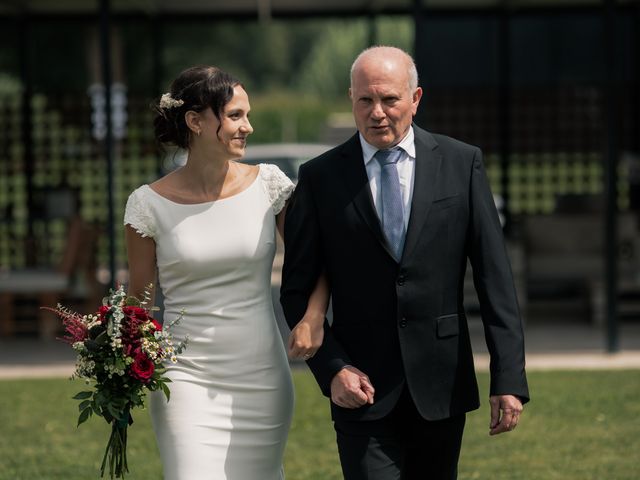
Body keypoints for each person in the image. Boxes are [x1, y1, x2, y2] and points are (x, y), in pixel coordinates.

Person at [280, 46, 530, 479]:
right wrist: (333, 369)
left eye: (389, 99)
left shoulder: (461, 162)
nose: (377, 112)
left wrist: (508, 379)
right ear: (351, 99)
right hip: (359, 387)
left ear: (415, 99)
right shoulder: (320, 177)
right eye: (365, 100)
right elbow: (297, 289)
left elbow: (496, 281)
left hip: (441, 382)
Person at [124, 65, 328, 480]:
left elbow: (318, 260)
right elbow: (139, 304)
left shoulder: (269, 185)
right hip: (183, 376)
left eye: (246, 115)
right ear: (196, 121)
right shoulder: (146, 205)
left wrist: (313, 316)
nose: (247, 127)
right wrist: (119, 360)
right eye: (235, 116)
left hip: (262, 376)